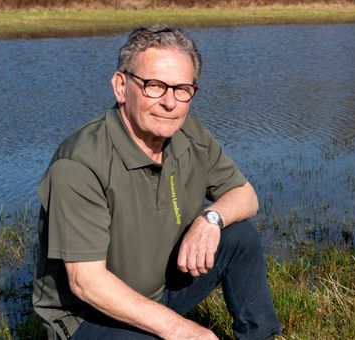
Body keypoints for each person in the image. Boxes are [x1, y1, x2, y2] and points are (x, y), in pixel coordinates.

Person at [33, 24, 281, 339]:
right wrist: (183, 330)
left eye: (182, 89)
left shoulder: (189, 132)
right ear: (121, 86)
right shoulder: (79, 164)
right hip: (90, 316)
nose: (169, 103)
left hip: (160, 291)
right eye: (154, 86)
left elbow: (246, 196)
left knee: (239, 235)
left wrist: (210, 219)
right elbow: (87, 282)